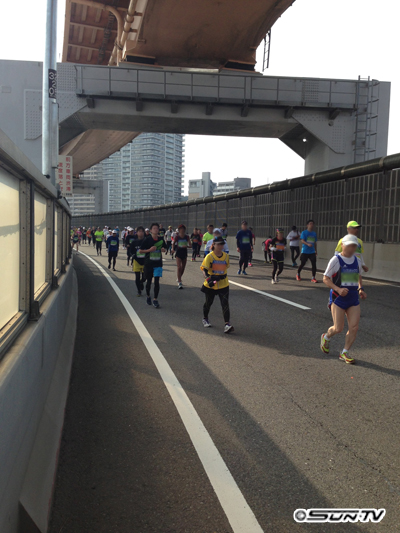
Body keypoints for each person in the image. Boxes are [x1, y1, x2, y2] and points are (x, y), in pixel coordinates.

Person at [320, 234, 367, 364]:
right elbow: (325, 278)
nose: (352, 248)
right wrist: (338, 289)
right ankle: (326, 337)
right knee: (338, 328)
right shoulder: (336, 260)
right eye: (350, 245)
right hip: (338, 298)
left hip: (353, 298)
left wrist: (360, 289)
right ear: (343, 245)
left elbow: (358, 276)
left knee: (354, 327)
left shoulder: (357, 261)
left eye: (354, 246)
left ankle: (344, 352)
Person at [200, 236, 234, 333]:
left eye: (222, 244)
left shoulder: (226, 256)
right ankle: (205, 318)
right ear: (213, 245)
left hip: (223, 284)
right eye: (218, 244)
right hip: (211, 284)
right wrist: (208, 279)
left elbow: (225, 268)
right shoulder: (209, 256)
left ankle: (227, 324)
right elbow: (204, 270)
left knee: (225, 303)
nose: (220, 246)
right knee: (208, 302)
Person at [139, 223, 166, 308]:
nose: (156, 230)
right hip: (149, 264)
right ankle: (148, 296)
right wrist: (149, 250)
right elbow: (140, 251)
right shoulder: (147, 240)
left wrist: (163, 249)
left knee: (157, 282)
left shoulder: (161, 239)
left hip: (158, 264)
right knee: (149, 282)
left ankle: (155, 299)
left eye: (157, 228)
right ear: (151, 230)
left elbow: (165, 248)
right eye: (154, 228)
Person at [173, 224, 191, 289]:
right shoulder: (177, 237)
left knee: (183, 268)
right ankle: (180, 282)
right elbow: (173, 243)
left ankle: (179, 277)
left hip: (184, 253)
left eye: (183, 229)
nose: (182, 230)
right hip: (178, 252)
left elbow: (190, 245)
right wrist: (172, 249)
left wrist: (186, 246)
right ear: (179, 230)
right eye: (181, 229)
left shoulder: (187, 237)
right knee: (179, 267)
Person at [130, 226, 146, 296]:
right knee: (137, 277)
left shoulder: (146, 241)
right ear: (137, 233)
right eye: (139, 231)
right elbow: (131, 251)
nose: (141, 233)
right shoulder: (134, 242)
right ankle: (139, 291)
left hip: (145, 261)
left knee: (145, 277)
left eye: (142, 231)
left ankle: (141, 282)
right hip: (136, 261)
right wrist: (133, 255)